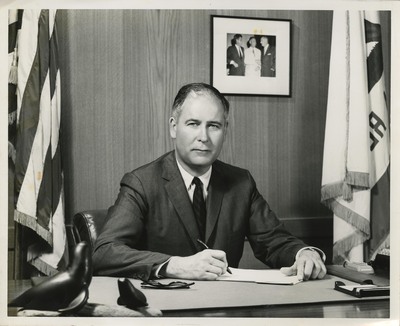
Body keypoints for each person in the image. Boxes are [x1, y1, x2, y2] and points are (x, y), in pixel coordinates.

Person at [93, 83, 327, 282]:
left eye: (213, 126)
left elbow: (274, 241)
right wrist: (175, 265)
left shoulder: (241, 183)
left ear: (225, 130)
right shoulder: (142, 183)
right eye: (193, 124)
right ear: (174, 127)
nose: (203, 137)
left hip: (225, 309)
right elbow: (104, 252)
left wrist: (303, 253)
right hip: (163, 311)